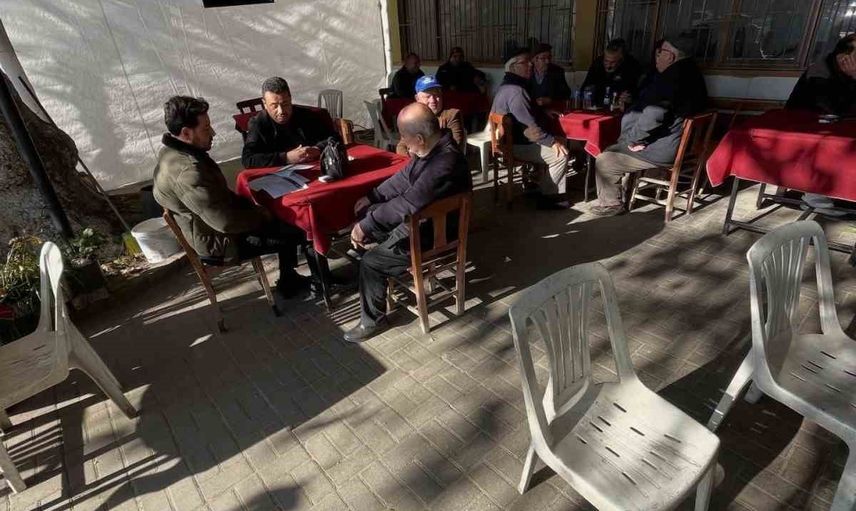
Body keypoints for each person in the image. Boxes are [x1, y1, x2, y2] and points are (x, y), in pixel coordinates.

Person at [154, 96, 319, 297]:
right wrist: (262, 215)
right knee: (300, 226)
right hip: (220, 242)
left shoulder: (172, 152)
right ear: (186, 133)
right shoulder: (189, 172)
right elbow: (226, 223)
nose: (213, 133)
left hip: (212, 226)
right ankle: (320, 282)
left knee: (281, 215)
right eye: (206, 129)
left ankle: (288, 279)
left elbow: (218, 198)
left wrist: (255, 207)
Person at [344, 103, 472, 342]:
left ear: (420, 138)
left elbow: (407, 202)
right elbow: (402, 179)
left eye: (404, 137)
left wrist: (366, 226)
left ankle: (372, 320)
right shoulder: (432, 149)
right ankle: (373, 281)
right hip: (421, 224)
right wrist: (372, 197)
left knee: (371, 262)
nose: (402, 142)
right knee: (370, 214)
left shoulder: (445, 162)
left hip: (435, 236)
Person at [589, 34, 707, 217]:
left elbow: (654, 114)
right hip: (683, 146)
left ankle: (612, 204)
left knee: (605, 159)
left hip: (662, 148)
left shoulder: (671, 77)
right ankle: (625, 189)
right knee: (616, 146)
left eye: (660, 52)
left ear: (670, 56)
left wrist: (635, 139)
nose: (656, 56)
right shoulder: (693, 74)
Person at [491, 49, 571, 210]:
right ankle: (548, 197)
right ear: (512, 67)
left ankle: (545, 187)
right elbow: (531, 129)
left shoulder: (508, 85)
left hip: (511, 140)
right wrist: (552, 142)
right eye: (524, 62)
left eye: (530, 61)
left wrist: (544, 111)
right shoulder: (516, 91)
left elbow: (525, 112)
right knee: (561, 154)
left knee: (560, 141)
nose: (530, 65)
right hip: (515, 145)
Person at [241, 77, 338, 168]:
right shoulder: (258, 123)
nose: (281, 111)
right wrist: (286, 157)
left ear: (290, 99)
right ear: (265, 104)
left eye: (285, 104)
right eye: (274, 106)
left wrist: (318, 149)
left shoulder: (306, 115)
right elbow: (247, 159)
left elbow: (335, 138)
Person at [787, 33, 856, 116]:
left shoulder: (845, 72)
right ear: (844, 58)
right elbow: (834, 111)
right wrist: (854, 77)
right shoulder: (819, 73)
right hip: (802, 120)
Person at [395, 75, 466, 155]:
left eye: (436, 95)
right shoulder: (413, 116)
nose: (433, 100)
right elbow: (401, 146)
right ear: (417, 98)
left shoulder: (451, 115)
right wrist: (410, 157)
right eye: (427, 96)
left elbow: (456, 147)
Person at [581, 39, 642, 109]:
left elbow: (634, 94)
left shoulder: (631, 67)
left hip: (619, 108)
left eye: (612, 62)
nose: (608, 65)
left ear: (621, 60)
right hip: (596, 107)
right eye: (606, 61)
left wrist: (628, 99)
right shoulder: (597, 65)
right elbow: (584, 89)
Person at [528, 43, 572, 107]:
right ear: (535, 59)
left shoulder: (557, 71)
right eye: (543, 58)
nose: (547, 61)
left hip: (551, 108)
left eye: (549, 57)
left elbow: (566, 93)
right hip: (531, 108)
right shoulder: (527, 71)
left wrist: (551, 100)